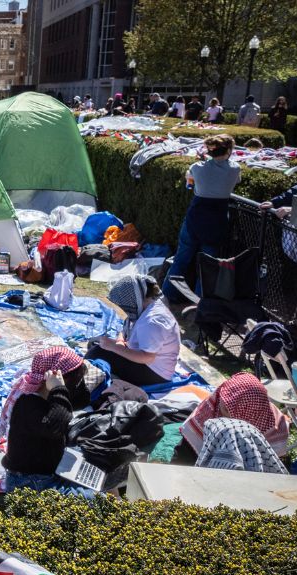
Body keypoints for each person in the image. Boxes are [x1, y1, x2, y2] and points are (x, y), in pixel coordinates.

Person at [0, 346, 96, 499]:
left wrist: (66, 387)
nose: (76, 386)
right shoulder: (28, 405)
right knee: (96, 499)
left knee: (99, 474)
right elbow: (56, 426)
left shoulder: (50, 398)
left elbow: (82, 400)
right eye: (75, 382)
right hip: (28, 482)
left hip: (46, 473)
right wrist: (59, 389)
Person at [163, 134, 240, 301]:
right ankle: (200, 303)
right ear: (228, 151)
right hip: (217, 221)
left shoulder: (197, 167)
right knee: (207, 266)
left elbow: (189, 178)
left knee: (181, 259)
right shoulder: (235, 169)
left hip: (195, 218)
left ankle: (167, 295)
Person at [172, 372, 291, 465]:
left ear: (246, 416)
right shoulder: (213, 405)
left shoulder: (275, 428)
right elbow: (184, 454)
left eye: (227, 410)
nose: (219, 409)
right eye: (222, 402)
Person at [87, 275, 180, 387]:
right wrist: (120, 342)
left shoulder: (153, 321)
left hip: (155, 373)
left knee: (97, 352)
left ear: (132, 298)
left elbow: (148, 357)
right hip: (144, 360)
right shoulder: (147, 307)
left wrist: (114, 348)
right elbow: (126, 329)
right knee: (95, 342)